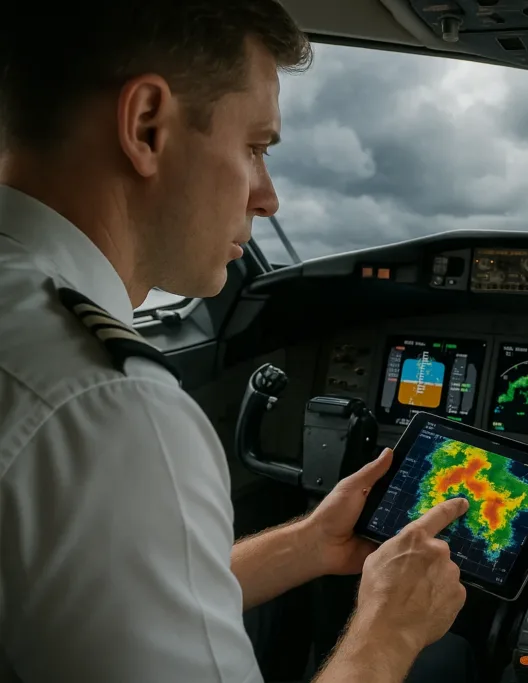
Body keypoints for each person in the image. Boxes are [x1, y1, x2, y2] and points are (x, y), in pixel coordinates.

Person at [0, 3, 471, 683]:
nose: (268, 197)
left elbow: (112, 592)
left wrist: (308, 542)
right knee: (446, 659)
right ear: (147, 126)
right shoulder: (106, 410)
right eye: (255, 147)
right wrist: (389, 631)